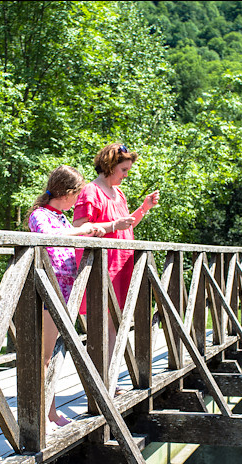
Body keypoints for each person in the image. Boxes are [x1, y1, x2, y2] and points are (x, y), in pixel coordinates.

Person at [71, 142, 160, 374]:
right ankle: (98, 382)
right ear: (110, 166)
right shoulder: (90, 191)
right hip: (101, 268)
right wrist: (112, 225)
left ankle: (109, 379)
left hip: (122, 265)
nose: (126, 175)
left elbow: (124, 227)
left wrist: (144, 208)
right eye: (124, 169)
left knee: (116, 326)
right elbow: (79, 228)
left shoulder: (118, 193)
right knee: (101, 327)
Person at [28, 165, 104, 426]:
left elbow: (67, 236)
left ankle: (48, 411)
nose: (78, 201)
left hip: (65, 295)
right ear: (66, 192)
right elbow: (47, 236)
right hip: (48, 293)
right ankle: (45, 414)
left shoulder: (60, 217)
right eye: (77, 195)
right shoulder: (40, 215)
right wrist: (81, 230)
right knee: (46, 356)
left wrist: (90, 231)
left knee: (55, 354)